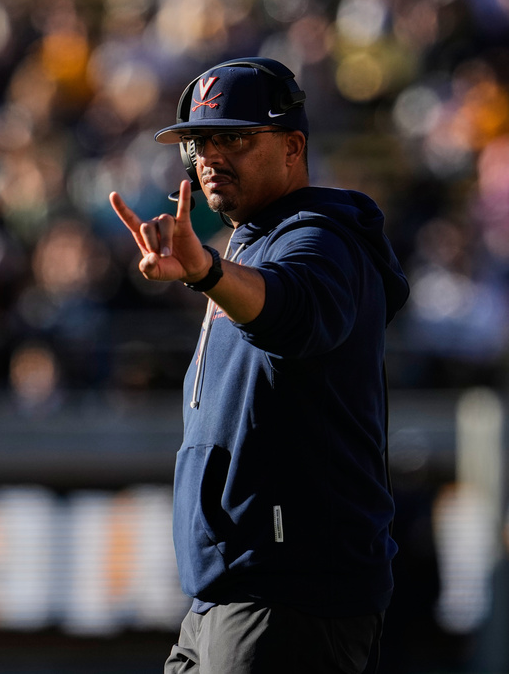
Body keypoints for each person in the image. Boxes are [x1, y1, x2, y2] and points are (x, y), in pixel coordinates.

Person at [109, 57, 410, 673]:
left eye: (236, 138)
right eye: (200, 141)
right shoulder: (253, 241)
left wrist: (209, 274)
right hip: (230, 589)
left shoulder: (324, 238)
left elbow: (295, 311)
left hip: (292, 589)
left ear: (294, 146)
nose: (211, 155)